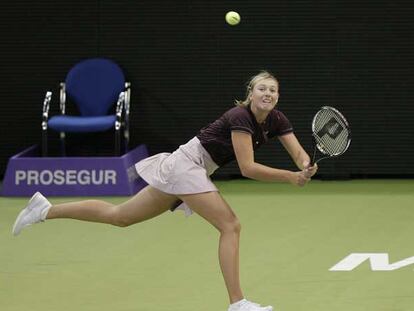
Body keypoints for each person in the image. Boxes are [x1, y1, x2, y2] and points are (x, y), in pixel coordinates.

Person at [12, 71, 317, 311]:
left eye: (273, 90)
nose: (268, 94)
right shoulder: (240, 118)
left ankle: (44, 210)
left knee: (120, 216)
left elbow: (300, 154)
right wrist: (290, 178)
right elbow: (248, 167)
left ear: (278, 96)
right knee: (230, 226)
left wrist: (305, 166)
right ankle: (237, 303)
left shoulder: (277, 120)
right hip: (186, 165)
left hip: (190, 169)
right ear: (250, 94)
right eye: (262, 88)